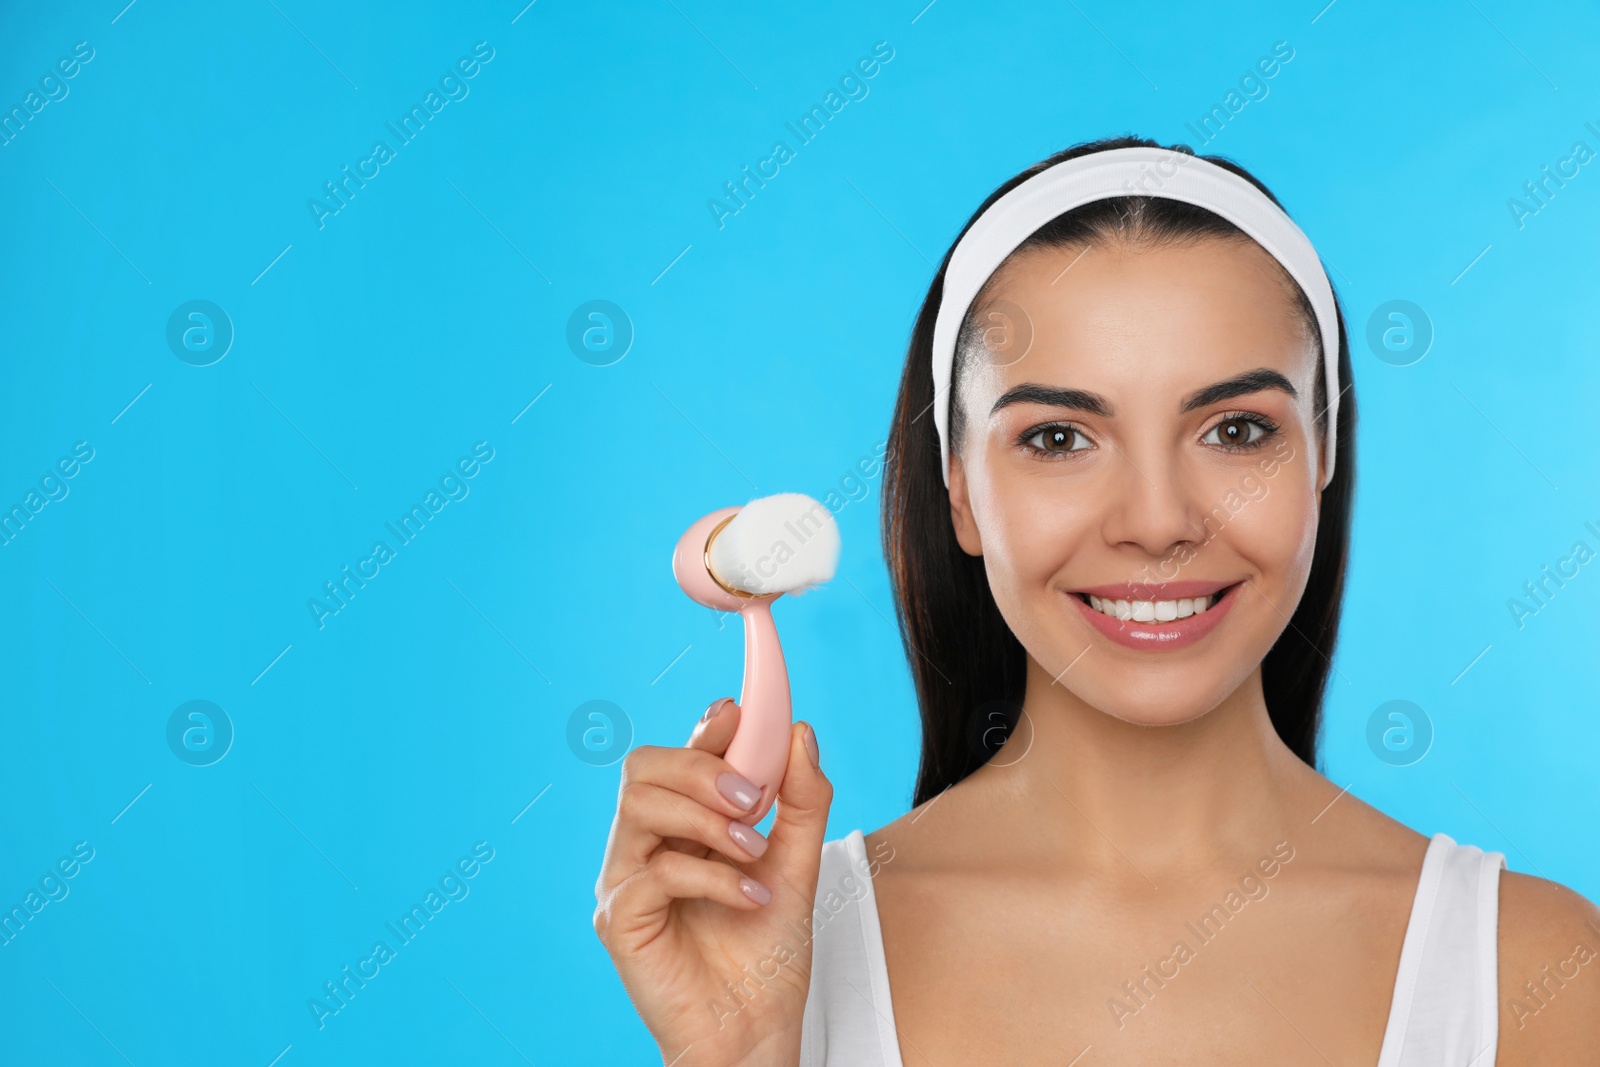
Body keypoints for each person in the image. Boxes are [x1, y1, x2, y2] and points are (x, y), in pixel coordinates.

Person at [592, 135, 1600, 1066]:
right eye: (1058, 439)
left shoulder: (1537, 968)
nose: (1157, 521)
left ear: (1322, 454)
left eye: (1236, 431)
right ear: (957, 489)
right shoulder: (784, 953)